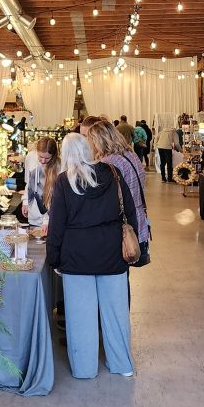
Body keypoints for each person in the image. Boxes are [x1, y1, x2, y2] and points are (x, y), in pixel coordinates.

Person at [46, 133, 138, 378]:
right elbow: (130, 211)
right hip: (112, 254)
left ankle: (84, 369)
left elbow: (56, 226)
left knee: (80, 318)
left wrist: (54, 258)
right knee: (116, 315)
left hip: (76, 257)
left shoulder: (65, 181)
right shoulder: (113, 174)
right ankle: (122, 365)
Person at [84, 118, 150, 248]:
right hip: (137, 219)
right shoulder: (129, 153)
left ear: (98, 141)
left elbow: (106, 199)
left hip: (121, 225)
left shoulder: (109, 162)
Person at [22, 137, 59, 229]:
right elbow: (28, 183)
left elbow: (57, 196)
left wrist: (47, 219)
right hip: (33, 214)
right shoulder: (30, 157)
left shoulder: (59, 165)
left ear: (53, 155)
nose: (43, 161)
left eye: (47, 158)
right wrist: (25, 201)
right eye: (40, 156)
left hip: (51, 215)